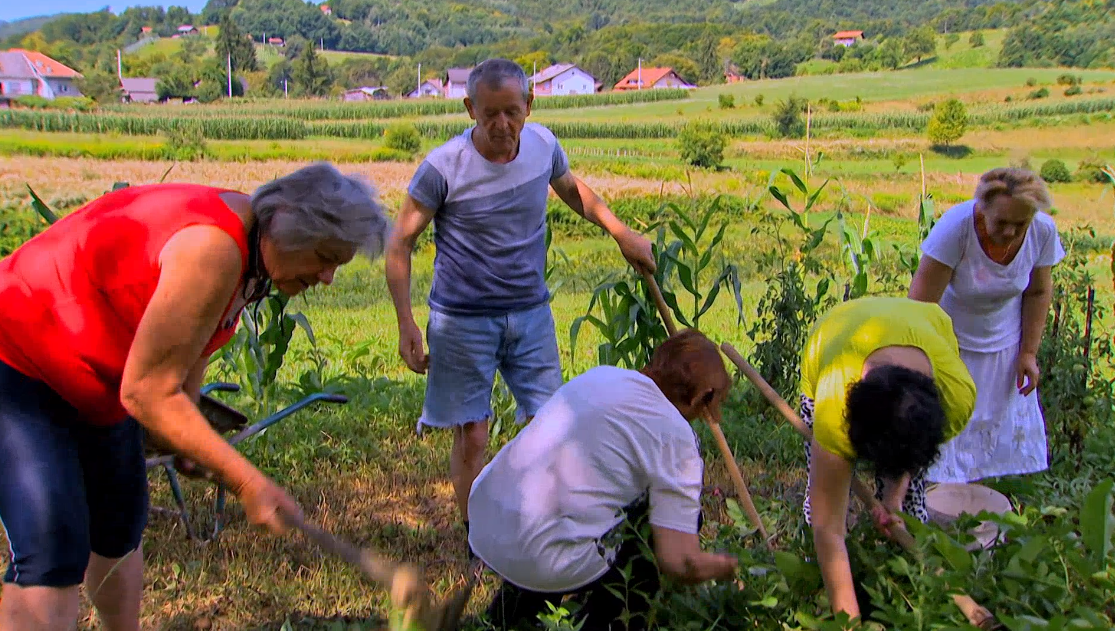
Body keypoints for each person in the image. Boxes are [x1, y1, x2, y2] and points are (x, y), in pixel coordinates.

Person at [0, 162, 391, 631]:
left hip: (95, 372)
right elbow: (147, 392)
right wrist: (248, 483)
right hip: (19, 354)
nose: (327, 277)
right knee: (53, 540)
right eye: (325, 257)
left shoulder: (253, 252)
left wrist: (188, 432)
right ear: (288, 228)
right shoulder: (213, 247)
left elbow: (195, 339)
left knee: (120, 522)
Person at [385, 58, 657, 548]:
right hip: (463, 321)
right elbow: (399, 242)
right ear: (470, 109)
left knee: (552, 424)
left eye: (512, 111)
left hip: (531, 313)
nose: (502, 124)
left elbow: (575, 192)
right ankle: (477, 538)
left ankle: (547, 526)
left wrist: (622, 232)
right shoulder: (442, 168)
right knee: (471, 434)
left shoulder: (543, 146)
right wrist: (407, 322)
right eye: (490, 113)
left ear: (529, 105)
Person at [467, 329, 739, 631]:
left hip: (487, 521)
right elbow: (678, 561)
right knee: (659, 522)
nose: (716, 415)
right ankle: (606, 623)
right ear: (703, 396)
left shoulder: (602, 376)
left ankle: (508, 617)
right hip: (542, 556)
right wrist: (727, 567)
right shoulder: (677, 440)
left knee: (573, 504)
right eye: (716, 403)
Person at [797, 296, 977, 621]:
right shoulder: (833, 409)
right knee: (822, 508)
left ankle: (904, 582)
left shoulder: (956, 397)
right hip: (833, 334)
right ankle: (822, 581)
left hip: (923, 322)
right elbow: (829, 528)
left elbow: (913, 452)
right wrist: (848, 624)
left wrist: (894, 499)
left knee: (911, 507)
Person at [908, 167, 1065, 484]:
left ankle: (973, 516)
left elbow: (1037, 291)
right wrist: (927, 363)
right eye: (1001, 223)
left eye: (1019, 225)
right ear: (981, 208)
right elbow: (920, 308)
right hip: (951, 349)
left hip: (1004, 351)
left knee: (985, 448)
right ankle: (929, 514)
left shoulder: (1043, 232)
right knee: (941, 439)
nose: (1010, 232)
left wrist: (1028, 354)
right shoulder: (956, 229)